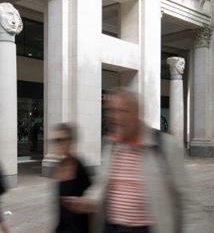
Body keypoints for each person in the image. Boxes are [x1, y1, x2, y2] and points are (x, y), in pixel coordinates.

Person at [62, 88, 186, 233]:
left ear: (137, 113)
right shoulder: (112, 145)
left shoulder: (165, 145)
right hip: (112, 228)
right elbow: (102, 184)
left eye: (122, 111)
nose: (115, 117)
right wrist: (88, 201)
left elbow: (186, 199)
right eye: (111, 111)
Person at [52, 123, 92, 233]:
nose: (57, 144)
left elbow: (91, 205)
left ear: (70, 141)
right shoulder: (59, 166)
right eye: (55, 141)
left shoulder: (79, 167)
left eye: (60, 140)